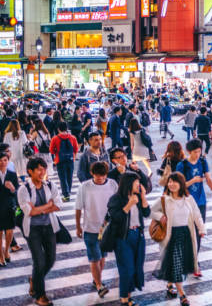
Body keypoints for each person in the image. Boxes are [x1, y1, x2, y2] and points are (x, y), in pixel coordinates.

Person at [152, 172, 207, 305]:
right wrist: (160, 217)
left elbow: (197, 215)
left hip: (186, 235)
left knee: (179, 263)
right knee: (176, 264)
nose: (171, 184)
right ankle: (182, 295)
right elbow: (151, 211)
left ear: (181, 184)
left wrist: (201, 229)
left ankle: (170, 284)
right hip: (171, 236)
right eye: (169, 182)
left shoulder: (189, 199)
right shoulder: (164, 200)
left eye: (174, 181)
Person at [17, 157, 64, 306]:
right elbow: (29, 212)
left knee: (51, 259)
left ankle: (35, 280)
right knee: (39, 261)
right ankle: (40, 295)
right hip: (33, 230)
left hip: (49, 226)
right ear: (30, 171)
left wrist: (39, 209)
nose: (42, 172)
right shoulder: (24, 189)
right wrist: (47, 206)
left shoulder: (50, 185)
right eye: (38, 169)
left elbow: (58, 205)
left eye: (44, 169)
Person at [75, 161, 116, 298]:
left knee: (102, 257)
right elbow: (78, 207)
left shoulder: (112, 184)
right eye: (98, 175)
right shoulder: (85, 187)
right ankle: (99, 285)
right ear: (92, 173)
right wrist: (78, 226)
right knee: (94, 258)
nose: (100, 178)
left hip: (107, 228)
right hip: (90, 228)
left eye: (103, 175)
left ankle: (96, 279)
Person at [109, 171, 149, 305]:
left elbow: (147, 213)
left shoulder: (138, 197)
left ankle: (129, 296)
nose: (139, 184)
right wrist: (129, 204)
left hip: (138, 235)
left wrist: (143, 197)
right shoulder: (116, 199)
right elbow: (116, 218)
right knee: (127, 268)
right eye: (137, 182)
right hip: (123, 238)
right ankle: (124, 298)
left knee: (136, 267)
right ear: (129, 183)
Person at [175, 139, 212, 225]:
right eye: (195, 152)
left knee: (200, 227)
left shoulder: (202, 162)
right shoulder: (182, 165)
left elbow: (209, 179)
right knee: (190, 229)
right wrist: (193, 180)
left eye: (199, 151)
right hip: (186, 202)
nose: (197, 154)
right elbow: (178, 186)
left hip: (201, 201)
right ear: (189, 152)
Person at [48, 122, 79, 201]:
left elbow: (51, 150)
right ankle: (68, 192)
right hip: (70, 160)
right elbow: (76, 149)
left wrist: (57, 152)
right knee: (69, 177)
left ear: (58, 129)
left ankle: (66, 195)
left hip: (60, 160)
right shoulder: (72, 137)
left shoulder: (55, 138)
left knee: (63, 178)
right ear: (67, 128)